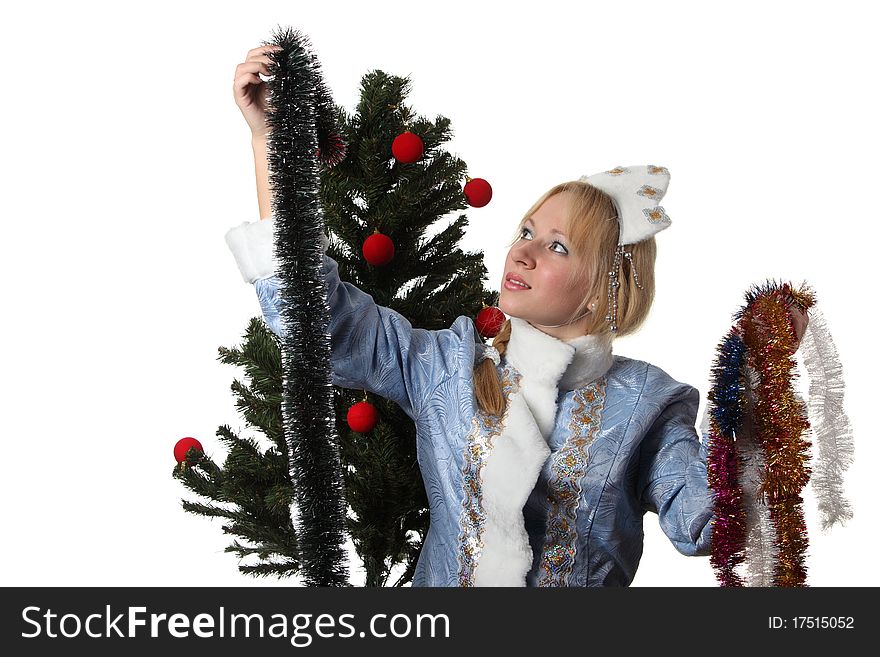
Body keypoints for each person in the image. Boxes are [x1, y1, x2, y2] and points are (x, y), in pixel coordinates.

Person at [224, 45, 808, 587]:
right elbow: (316, 321)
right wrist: (272, 146)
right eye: (526, 232)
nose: (521, 252)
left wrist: (757, 380)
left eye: (557, 246)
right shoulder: (448, 365)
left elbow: (710, 526)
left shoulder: (646, 402)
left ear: (602, 287)